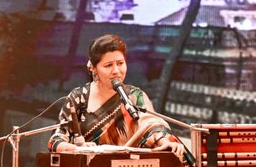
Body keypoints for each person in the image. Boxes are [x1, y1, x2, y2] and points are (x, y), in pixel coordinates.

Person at [48, 34, 187, 159]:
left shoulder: (135, 97)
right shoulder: (78, 98)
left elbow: (151, 127)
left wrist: (165, 141)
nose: (116, 71)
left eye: (120, 63)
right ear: (93, 68)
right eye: (108, 65)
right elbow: (56, 141)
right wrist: (78, 149)